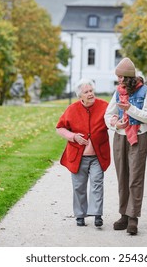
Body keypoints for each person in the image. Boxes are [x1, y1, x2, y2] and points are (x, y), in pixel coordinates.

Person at [104, 57, 147, 235]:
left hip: (139, 138)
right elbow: (108, 114)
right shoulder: (118, 92)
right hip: (120, 137)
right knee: (122, 177)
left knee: (135, 177)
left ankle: (133, 217)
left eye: (120, 77)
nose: (118, 80)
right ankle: (124, 215)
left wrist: (129, 109)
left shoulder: (146, 92)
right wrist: (114, 123)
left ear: (128, 77)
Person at [56, 78, 110, 227]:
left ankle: (97, 214)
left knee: (97, 184)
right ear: (80, 96)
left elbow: (113, 119)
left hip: (98, 156)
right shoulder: (72, 109)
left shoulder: (104, 106)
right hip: (78, 157)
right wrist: (73, 137)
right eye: (86, 92)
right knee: (79, 186)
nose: (90, 94)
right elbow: (60, 128)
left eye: (91, 91)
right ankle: (80, 215)